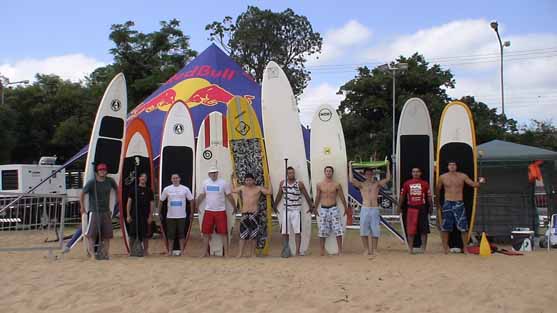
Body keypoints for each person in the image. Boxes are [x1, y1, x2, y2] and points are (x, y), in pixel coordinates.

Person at [436, 161, 485, 254]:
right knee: (445, 227)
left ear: (456, 166)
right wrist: (437, 203)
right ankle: (445, 248)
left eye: (454, 165)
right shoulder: (442, 177)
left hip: (459, 203)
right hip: (447, 203)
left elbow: (474, 185)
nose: (452, 166)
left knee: (463, 227)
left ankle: (465, 248)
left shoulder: (462, 176)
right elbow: (438, 190)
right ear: (447, 166)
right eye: (450, 165)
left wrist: (480, 182)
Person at [349, 162, 390, 257]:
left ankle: (374, 250)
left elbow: (388, 178)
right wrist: (350, 166)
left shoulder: (377, 184)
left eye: (371, 174)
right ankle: (366, 249)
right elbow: (351, 180)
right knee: (364, 230)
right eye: (367, 174)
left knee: (375, 229)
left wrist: (387, 166)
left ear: (373, 174)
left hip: (374, 208)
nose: (369, 175)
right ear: (364, 175)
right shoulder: (361, 184)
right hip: (365, 208)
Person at [80, 163, 118, 260]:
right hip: (94, 211)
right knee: (91, 234)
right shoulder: (92, 183)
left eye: (104, 170)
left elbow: (116, 189)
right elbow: (83, 193)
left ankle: (106, 253)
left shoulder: (110, 181)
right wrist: (82, 206)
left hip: (106, 211)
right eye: (101, 170)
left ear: (106, 171)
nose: (102, 171)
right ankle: (92, 254)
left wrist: (117, 201)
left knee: (107, 234)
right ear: (97, 171)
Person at [273, 166, 314, 256]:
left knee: (297, 231)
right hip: (286, 210)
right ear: (287, 174)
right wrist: (274, 205)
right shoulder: (283, 183)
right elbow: (279, 195)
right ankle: (286, 249)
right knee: (285, 232)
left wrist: (311, 206)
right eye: (289, 173)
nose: (291, 174)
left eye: (292, 173)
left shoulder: (299, 184)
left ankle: (297, 251)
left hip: (296, 210)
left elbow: (306, 195)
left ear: (294, 173)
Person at [196, 167, 236, 257]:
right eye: (212, 173)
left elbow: (229, 195)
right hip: (208, 211)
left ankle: (226, 253)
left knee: (223, 233)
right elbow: (202, 195)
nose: (214, 174)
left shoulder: (223, 183)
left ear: (217, 173)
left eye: (215, 173)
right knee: (206, 233)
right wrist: (197, 205)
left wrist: (234, 207)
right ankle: (204, 252)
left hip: (220, 211)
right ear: (209, 174)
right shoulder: (205, 183)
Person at [232, 173, 272, 257]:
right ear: (245, 181)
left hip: (254, 214)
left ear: (253, 180)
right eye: (247, 180)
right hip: (244, 213)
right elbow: (233, 190)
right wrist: (232, 179)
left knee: (253, 235)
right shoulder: (242, 188)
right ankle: (240, 253)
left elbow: (269, 192)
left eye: (250, 180)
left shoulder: (258, 188)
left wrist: (269, 181)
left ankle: (252, 253)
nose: (248, 182)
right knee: (242, 235)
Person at [313, 166, 350, 256]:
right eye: (327, 171)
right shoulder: (319, 184)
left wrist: (346, 207)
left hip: (333, 208)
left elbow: (341, 197)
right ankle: (322, 250)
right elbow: (317, 196)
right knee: (322, 230)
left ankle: (340, 250)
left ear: (332, 173)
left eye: (330, 171)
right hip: (323, 208)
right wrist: (314, 208)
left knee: (338, 229)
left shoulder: (336, 184)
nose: (328, 172)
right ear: (324, 172)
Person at [159, 173, 195, 256]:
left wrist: (192, 213)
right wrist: (159, 212)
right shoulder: (167, 189)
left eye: (176, 178)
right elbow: (161, 201)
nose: (175, 179)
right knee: (170, 234)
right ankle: (170, 251)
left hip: (182, 216)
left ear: (179, 179)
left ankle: (182, 251)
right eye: (173, 178)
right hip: (170, 216)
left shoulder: (185, 189)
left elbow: (191, 200)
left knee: (181, 234)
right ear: (171, 180)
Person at [399, 167, 432, 254]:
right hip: (411, 208)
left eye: (417, 172)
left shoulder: (425, 183)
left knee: (423, 230)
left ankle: (423, 248)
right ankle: (410, 248)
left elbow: (429, 196)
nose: (415, 173)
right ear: (411, 173)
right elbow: (402, 196)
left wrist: (431, 207)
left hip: (422, 208)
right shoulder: (407, 183)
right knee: (411, 230)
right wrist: (399, 206)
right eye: (414, 172)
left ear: (420, 173)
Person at [126, 173, 154, 256]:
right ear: (139, 178)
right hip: (134, 216)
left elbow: (152, 203)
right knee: (132, 235)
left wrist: (150, 216)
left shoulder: (149, 190)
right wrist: (128, 215)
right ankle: (131, 251)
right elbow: (129, 203)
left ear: (146, 179)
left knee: (145, 235)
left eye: (145, 177)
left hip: (145, 216)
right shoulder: (133, 189)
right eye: (142, 176)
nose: (143, 178)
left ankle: (145, 251)